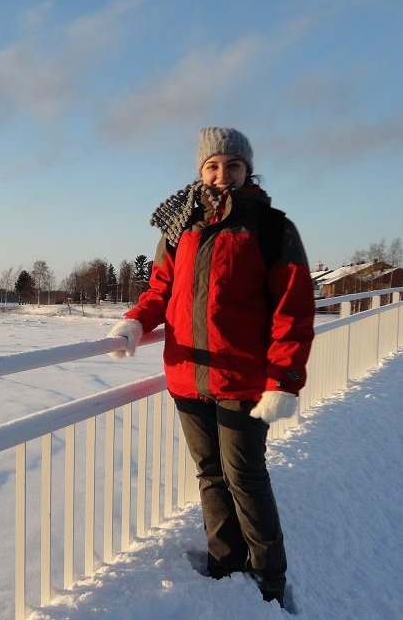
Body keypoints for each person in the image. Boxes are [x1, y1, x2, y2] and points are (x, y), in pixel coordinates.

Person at [108, 127, 315, 607]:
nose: (223, 175)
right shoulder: (180, 225)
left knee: (244, 474)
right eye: (213, 166)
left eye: (233, 166)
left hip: (243, 377)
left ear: (248, 170)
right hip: (187, 374)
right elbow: (161, 289)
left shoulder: (269, 226)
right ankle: (225, 564)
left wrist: (283, 380)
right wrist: (136, 323)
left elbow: (293, 308)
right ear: (201, 171)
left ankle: (268, 577)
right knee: (209, 473)